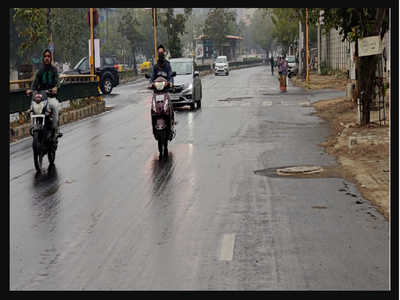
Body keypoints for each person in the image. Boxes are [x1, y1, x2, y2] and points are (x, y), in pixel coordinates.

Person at [26, 48, 61, 137]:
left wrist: (55, 88)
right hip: (42, 97)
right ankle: (33, 126)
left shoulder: (54, 70)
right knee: (32, 107)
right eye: (45, 56)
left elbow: (58, 83)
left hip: (51, 97)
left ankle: (55, 129)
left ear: (51, 58)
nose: (47, 58)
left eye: (48, 56)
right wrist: (31, 90)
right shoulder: (40, 71)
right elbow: (35, 83)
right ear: (43, 58)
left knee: (55, 106)